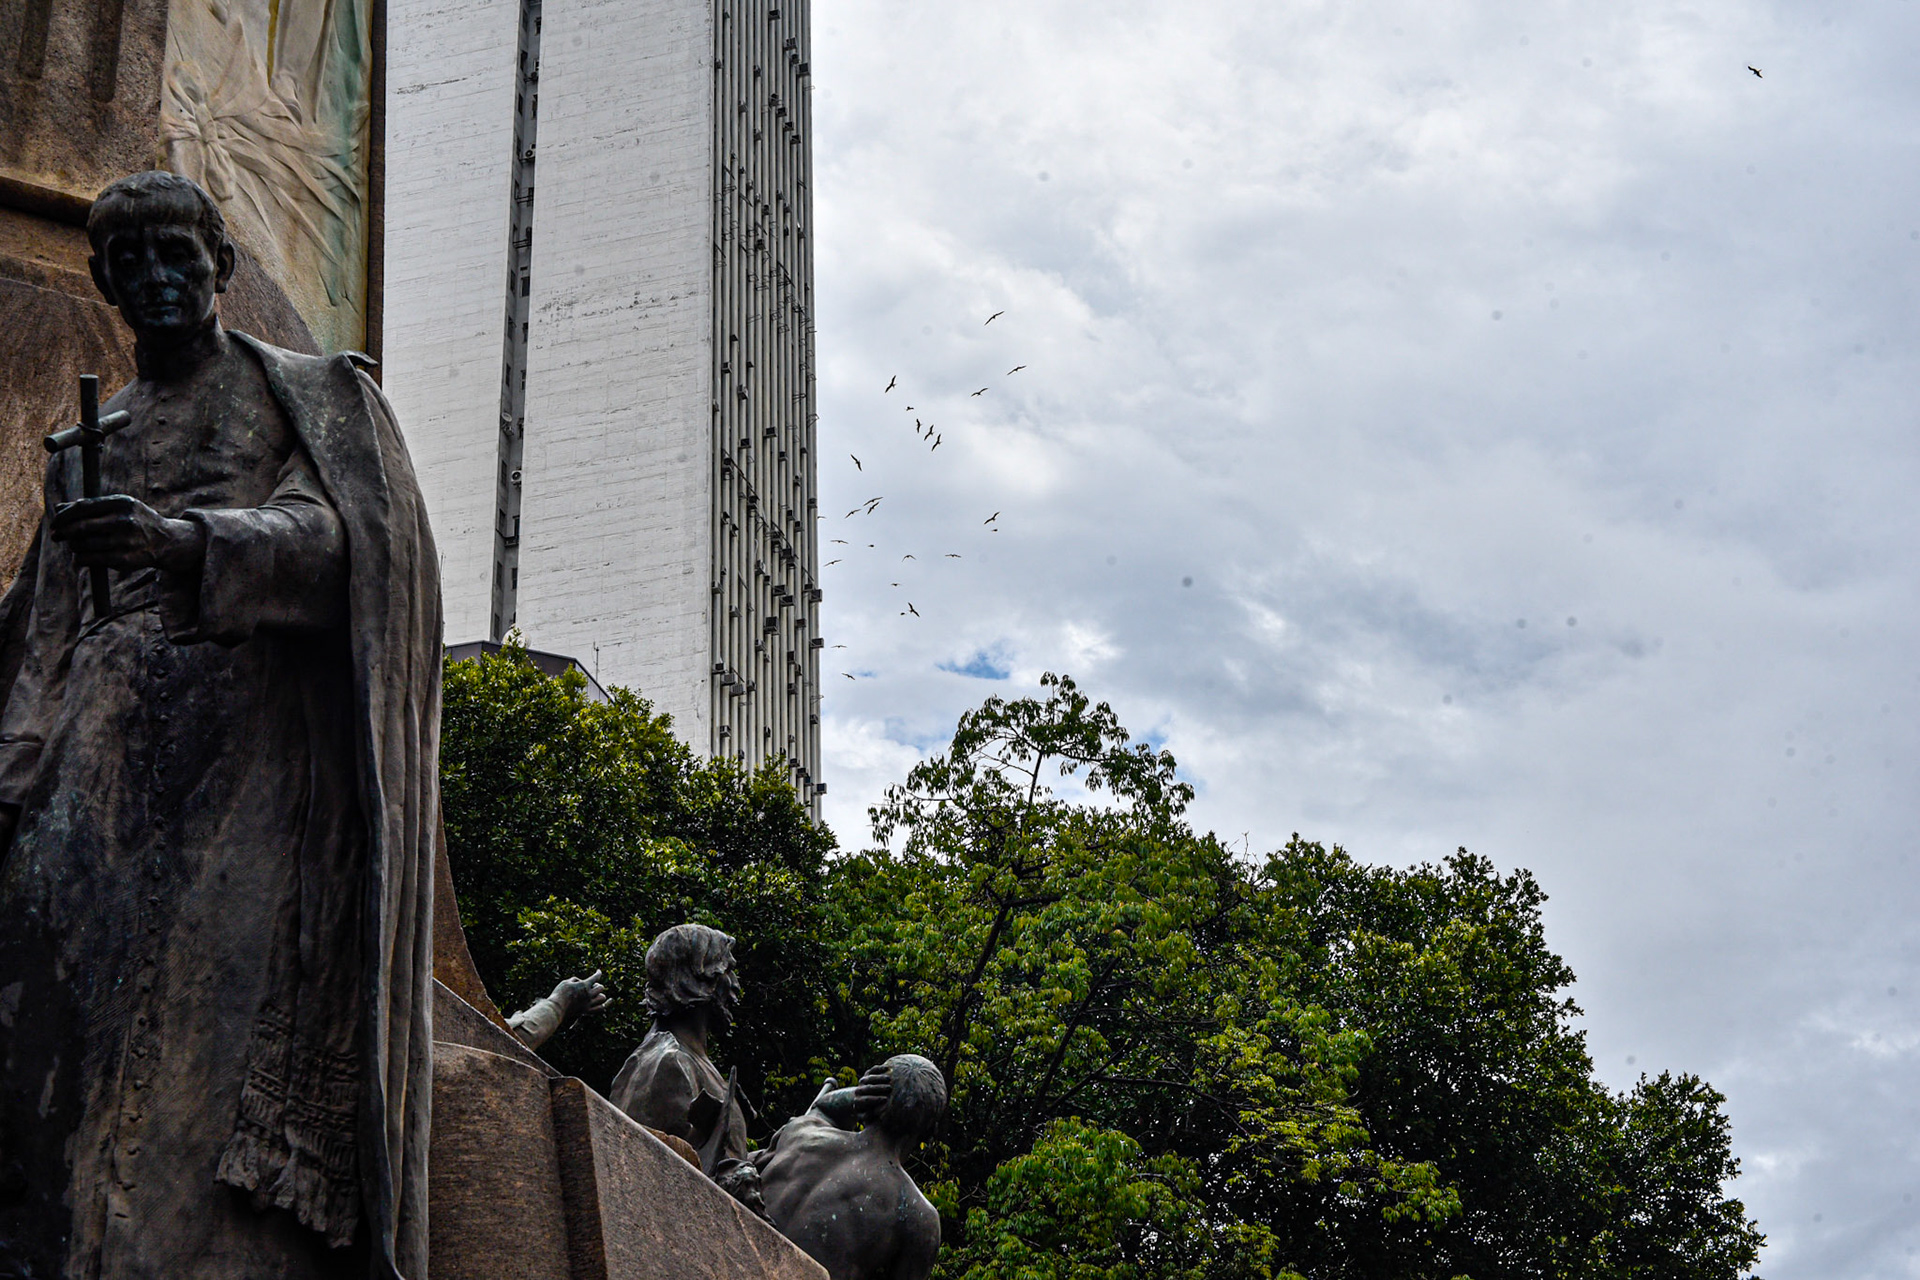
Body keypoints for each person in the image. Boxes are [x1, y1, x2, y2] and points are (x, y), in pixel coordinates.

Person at [0, 171, 440, 1279]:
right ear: (103, 281)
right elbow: (42, 636)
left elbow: (346, 547)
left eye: (176, 256)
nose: (155, 277)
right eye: (131, 262)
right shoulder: (80, 450)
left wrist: (186, 541)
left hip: (244, 758)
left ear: (221, 267)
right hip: (93, 765)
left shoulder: (307, 395)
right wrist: (17, 775)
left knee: (188, 1066)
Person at [751, 1055, 946, 1280]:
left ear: (868, 1097)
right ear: (930, 1132)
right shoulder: (920, 1217)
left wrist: (855, 1096)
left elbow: (822, 1107)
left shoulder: (801, 1133)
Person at [609, 924, 754, 1168]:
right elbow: (651, 1173)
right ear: (700, 977)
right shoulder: (666, 1063)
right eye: (728, 971)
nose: (736, 985)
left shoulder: (694, 1062)